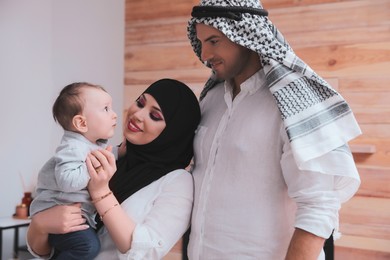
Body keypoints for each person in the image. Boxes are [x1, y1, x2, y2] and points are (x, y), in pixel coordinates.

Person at [185, 0, 361, 259]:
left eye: (214, 41)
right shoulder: (209, 101)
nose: (204, 55)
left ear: (244, 34)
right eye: (200, 43)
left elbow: (318, 207)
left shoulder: (293, 105)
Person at [26, 78, 201, 260]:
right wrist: (39, 225)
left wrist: (101, 192)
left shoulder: (177, 182)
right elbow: (47, 252)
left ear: (173, 133)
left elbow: (144, 252)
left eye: (154, 116)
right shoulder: (107, 155)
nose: (138, 115)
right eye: (140, 103)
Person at [29, 82, 117, 259]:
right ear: (81, 123)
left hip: (74, 216)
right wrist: (95, 169)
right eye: (106, 109)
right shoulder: (73, 147)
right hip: (56, 213)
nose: (114, 115)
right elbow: (67, 181)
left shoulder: (90, 145)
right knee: (87, 247)